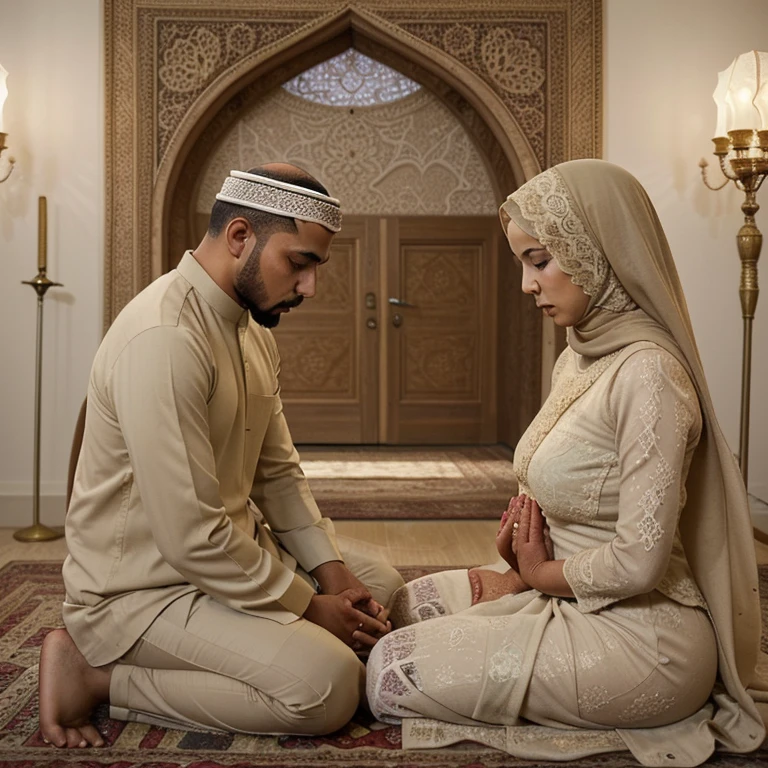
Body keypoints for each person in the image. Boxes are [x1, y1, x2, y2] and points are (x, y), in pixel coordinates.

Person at [366, 159, 768, 766]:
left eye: (539, 261)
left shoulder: (649, 374)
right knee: (404, 606)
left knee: (390, 671)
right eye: (523, 264)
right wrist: (522, 550)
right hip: (563, 592)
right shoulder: (582, 358)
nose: (528, 285)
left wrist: (535, 573)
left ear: (598, 252)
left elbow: (640, 559)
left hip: (644, 640)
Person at [38, 163, 404, 749]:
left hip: (224, 559)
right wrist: (311, 607)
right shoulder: (165, 339)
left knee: (378, 586)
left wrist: (333, 576)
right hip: (144, 591)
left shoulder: (251, 328)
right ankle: (97, 674)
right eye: (300, 263)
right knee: (330, 687)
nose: (309, 288)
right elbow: (192, 538)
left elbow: (277, 472)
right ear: (240, 237)